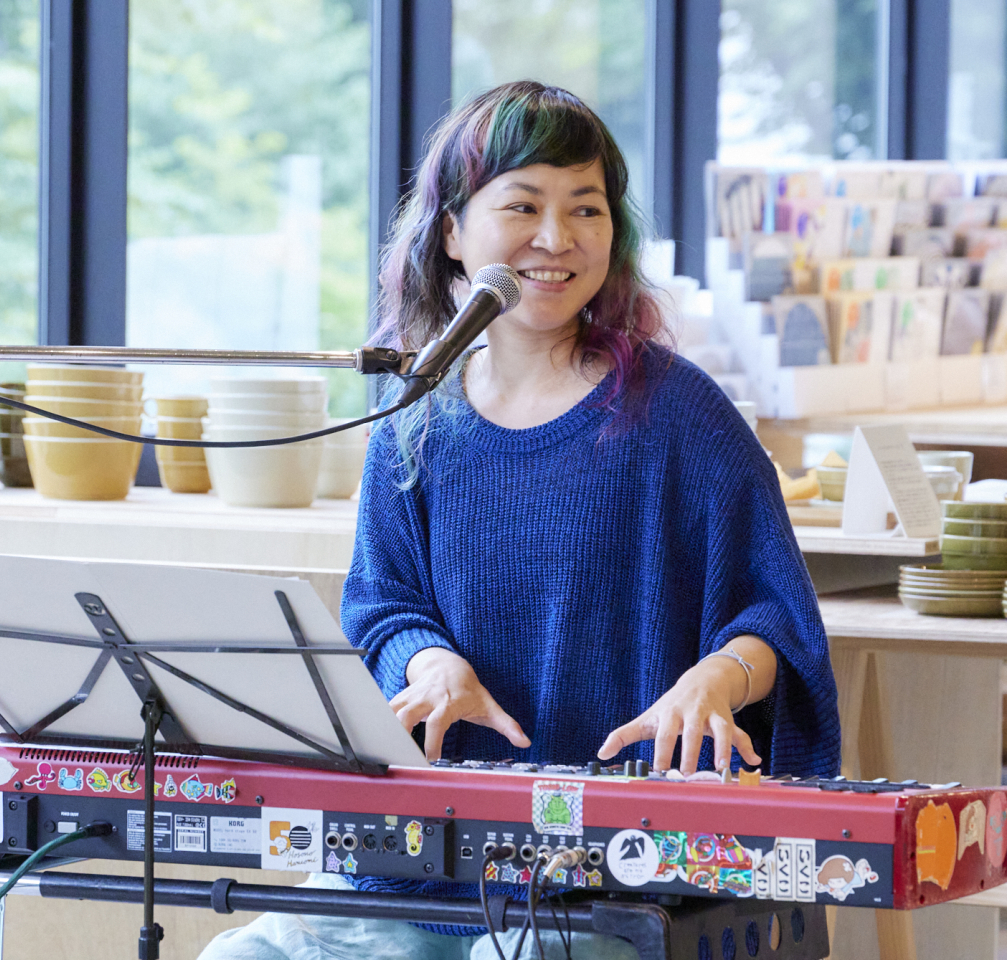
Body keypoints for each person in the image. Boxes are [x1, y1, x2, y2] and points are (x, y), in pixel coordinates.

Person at [199, 80, 839, 960]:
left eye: (587, 207)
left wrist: (717, 682)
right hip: (428, 850)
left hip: (619, 861)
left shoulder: (678, 411)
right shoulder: (414, 413)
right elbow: (382, 603)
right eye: (523, 205)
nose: (557, 237)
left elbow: (777, 619)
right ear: (453, 232)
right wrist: (429, 662)